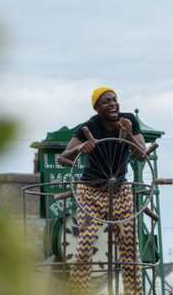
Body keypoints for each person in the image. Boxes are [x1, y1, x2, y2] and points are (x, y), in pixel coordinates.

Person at [59, 86, 145, 295]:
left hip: (120, 189)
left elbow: (141, 154)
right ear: (97, 108)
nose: (112, 104)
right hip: (91, 190)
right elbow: (63, 158)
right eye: (106, 101)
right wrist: (80, 148)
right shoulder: (89, 127)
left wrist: (127, 135)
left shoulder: (129, 121)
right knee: (84, 248)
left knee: (130, 247)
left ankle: (134, 293)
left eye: (114, 99)